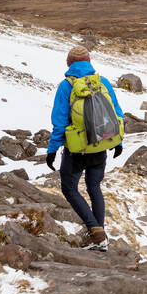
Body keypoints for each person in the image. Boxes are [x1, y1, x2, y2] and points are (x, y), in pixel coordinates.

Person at [46, 44, 124, 250]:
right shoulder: (103, 82)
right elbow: (116, 114)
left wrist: (52, 150)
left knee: (69, 188)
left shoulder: (66, 86)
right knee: (94, 186)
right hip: (101, 144)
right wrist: (119, 142)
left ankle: (96, 234)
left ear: (68, 63)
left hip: (77, 148)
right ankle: (100, 236)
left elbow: (60, 122)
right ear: (89, 62)